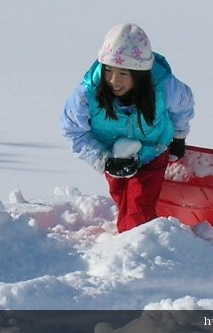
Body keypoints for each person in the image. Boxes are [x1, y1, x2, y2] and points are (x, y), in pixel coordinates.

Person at [60, 23, 195, 232]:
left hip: (153, 150)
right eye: (108, 71)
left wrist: (179, 136)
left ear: (139, 73)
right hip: (112, 153)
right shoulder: (87, 95)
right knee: (122, 198)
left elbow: (183, 106)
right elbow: (73, 132)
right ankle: (128, 235)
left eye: (123, 73)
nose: (114, 80)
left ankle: (136, 244)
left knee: (138, 210)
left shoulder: (164, 86)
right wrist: (104, 160)